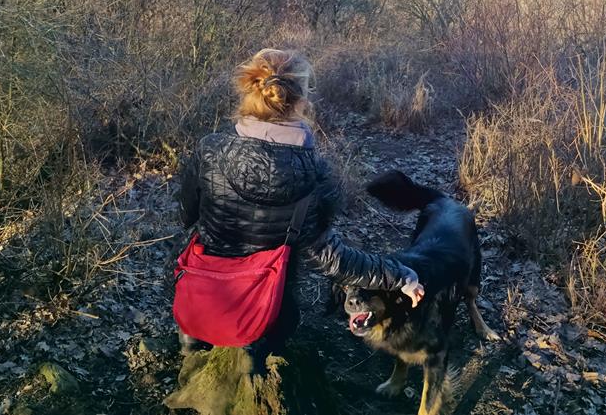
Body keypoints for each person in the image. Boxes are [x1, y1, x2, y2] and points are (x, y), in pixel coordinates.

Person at [174, 48, 424, 360]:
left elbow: (186, 216)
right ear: (302, 102)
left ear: (250, 90)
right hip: (261, 312)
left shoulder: (209, 150)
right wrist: (401, 277)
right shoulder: (313, 175)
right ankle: (257, 358)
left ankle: (193, 345)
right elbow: (333, 260)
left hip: (201, 298)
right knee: (287, 318)